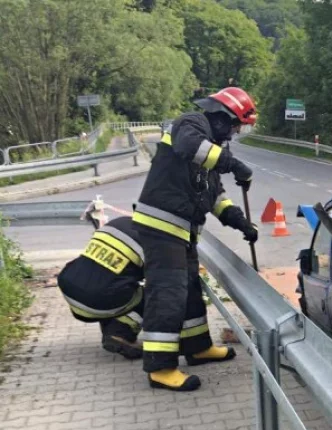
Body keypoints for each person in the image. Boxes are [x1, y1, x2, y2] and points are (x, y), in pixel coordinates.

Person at [133, 86, 259, 392]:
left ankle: (198, 348)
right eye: (234, 126)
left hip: (181, 233)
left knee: (189, 292)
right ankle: (160, 368)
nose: (233, 134)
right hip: (161, 228)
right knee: (168, 294)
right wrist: (234, 164)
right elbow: (191, 147)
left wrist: (242, 224)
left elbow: (216, 198)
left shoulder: (210, 148)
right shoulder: (190, 125)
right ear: (221, 118)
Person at [57, 215, 145, 360]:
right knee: (155, 294)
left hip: (70, 287)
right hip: (97, 300)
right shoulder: (153, 241)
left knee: (112, 281)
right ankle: (121, 333)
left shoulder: (117, 223)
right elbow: (161, 281)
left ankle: (110, 327)